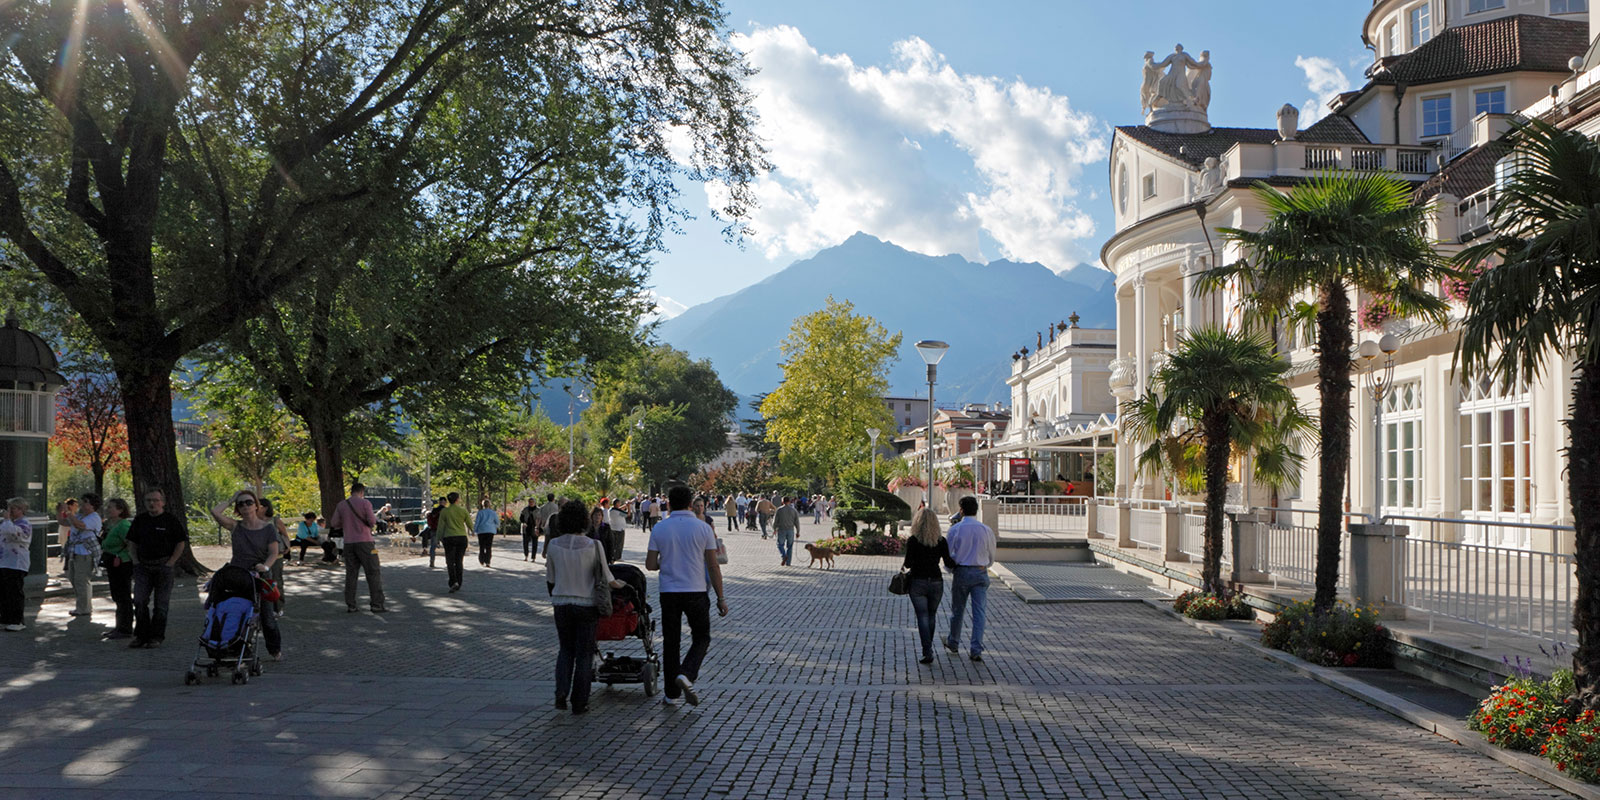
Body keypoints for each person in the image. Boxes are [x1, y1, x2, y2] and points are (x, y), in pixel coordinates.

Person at [647, 486, 728, 707]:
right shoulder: (703, 528)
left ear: (669, 504)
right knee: (701, 636)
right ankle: (687, 672)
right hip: (696, 590)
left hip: (669, 591)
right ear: (691, 504)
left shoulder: (660, 529)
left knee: (671, 642)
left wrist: (668, 561)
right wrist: (721, 597)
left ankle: (671, 694)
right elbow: (713, 565)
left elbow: (650, 564)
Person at [547, 500, 624, 714]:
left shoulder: (553, 545)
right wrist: (623, 585)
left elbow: (551, 578)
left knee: (565, 650)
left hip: (561, 603)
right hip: (586, 604)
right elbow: (608, 578)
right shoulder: (594, 545)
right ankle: (579, 702)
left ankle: (561, 691)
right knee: (584, 653)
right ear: (585, 520)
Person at [210, 490, 283, 660]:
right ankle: (237, 647)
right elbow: (215, 512)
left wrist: (264, 566)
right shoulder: (236, 526)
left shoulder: (268, 528)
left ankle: (274, 649)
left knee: (267, 619)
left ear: (256, 505)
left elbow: (274, 552)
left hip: (260, 574)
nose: (245, 506)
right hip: (238, 575)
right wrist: (232, 498)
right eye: (241, 503)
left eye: (249, 502)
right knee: (237, 611)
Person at [125, 489, 187, 648]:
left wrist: (171, 562)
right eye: (148, 501)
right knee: (139, 601)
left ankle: (156, 637)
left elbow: (181, 542)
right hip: (143, 566)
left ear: (163, 502)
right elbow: (132, 542)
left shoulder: (170, 520)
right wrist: (135, 561)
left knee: (161, 604)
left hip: (163, 566)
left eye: (155, 500)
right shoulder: (140, 520)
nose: (152, 503)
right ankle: (140, 635)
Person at [944, 496, 996, 662]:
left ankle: (953, 641)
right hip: (980, 572)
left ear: (961, 510)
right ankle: (976, 648)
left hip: (962, 571)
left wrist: (951, 569)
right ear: (977, 510)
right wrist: (985, 565)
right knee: (979, 611)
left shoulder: (955, 530)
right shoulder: (986, 530)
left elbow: (949, 553)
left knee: (958, 610)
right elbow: (991, 555)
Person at [903, 509, 955, 664]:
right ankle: (929, 647)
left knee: (922, 617)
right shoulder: (940, 541)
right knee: (931, 616)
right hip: (936, 581)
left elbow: (908, 563)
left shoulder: (913, 540)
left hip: (918, 581)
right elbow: (948, 562)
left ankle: (927, 650)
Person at [331, 482, 385, 613]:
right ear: (362, 492)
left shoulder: (341, 505)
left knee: (351, 574)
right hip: (365, 542)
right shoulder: (365, 503)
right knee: (373, 572)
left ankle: (351, 604)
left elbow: (334, 523)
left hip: (349, 543)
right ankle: (376, 604)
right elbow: (372, 522)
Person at [100, 498, 135, 639]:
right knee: (117, 595)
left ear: (120, 510)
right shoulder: (110, 524)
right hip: (112, 563)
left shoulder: (123, 525)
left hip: (122, 563)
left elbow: (131, 543)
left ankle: (125, 627)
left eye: (111, 507)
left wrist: (121, 555)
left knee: (123, 595)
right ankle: (119, 626)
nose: (108, 509)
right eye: (107, 507)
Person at [62, 493, 102, 618]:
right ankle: (83, 605)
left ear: (92, 505)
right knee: (73, 578)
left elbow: (80, 525)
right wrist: (61, 511)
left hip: (86, 552)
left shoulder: (94, 517)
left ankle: (83, 608)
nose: (82, 505)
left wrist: (69, 513)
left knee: (81, 580)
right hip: (75, 551)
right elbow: (63, 522)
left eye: (85, 502)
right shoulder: (80, 515)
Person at [0, 498, 33, 632]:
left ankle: (17, 620)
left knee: (15, 592)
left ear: (21, 510)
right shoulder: (8, 523)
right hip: (5, 561)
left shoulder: (24, 524)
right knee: (4, 591)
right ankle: (6, 617)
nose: (10, 511)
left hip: (17, 562)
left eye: (13, 508)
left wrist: (7, 520)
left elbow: (15, 534)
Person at [259, 497, 290, 616]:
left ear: (265, 508)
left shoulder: (275, 520)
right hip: (260, 556)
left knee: (276, 581)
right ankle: (264, 608)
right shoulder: (253, 521)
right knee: (262, 582)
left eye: (259, 505)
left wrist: (287, 547)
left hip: (276, 556)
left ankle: (278, 607)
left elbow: (285, 535)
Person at [437, 492, 470, 592]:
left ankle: (453, 581)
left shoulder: (445, 512)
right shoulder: (463, 510)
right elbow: (469, 523)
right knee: (459, 561)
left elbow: (441, 526)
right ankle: (459, 582)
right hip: (461, 537)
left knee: (450, 561)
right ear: (457, 499)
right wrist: (472, 530)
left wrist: (438, 538)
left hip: (449, 538)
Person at [772, 496, 800, 567]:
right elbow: (797, 522)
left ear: (782, 501)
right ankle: (788, 562)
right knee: (790, 546)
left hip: (781, 529)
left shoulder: (779, 510)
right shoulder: (793, 510)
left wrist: (774, 529)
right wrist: (798, 532)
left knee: (780, 544)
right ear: (789, 501)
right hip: (790, 530)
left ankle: (784, 555)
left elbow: (775, 521)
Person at [474, 498, 499, 567]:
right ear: (489, 505)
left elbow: (477, 522)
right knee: (488, 547)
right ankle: (488, 561)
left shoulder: (480, 512)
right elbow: (497, 522)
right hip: (490, 531)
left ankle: (481, 560)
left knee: (482, 546)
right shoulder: (493, 513)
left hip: (481, 531)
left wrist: (475, 530)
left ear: (482, 505)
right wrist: (494, 527)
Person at [536, 493, 560, 558]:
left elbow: (539, 517)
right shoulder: (557, 507)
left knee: (547, 539)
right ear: (553, 498)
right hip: (554, 526)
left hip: (545, 526)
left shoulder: (543, 507)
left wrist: (538, 527)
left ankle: (544, 552)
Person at [425, 500, 444, 567]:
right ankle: (449, 561)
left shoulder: (434, 511)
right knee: (447, 547)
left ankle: (432, 561)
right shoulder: (444, 512)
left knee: (433, 547)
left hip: (434, 530)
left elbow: (430, 522)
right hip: (443, 531)